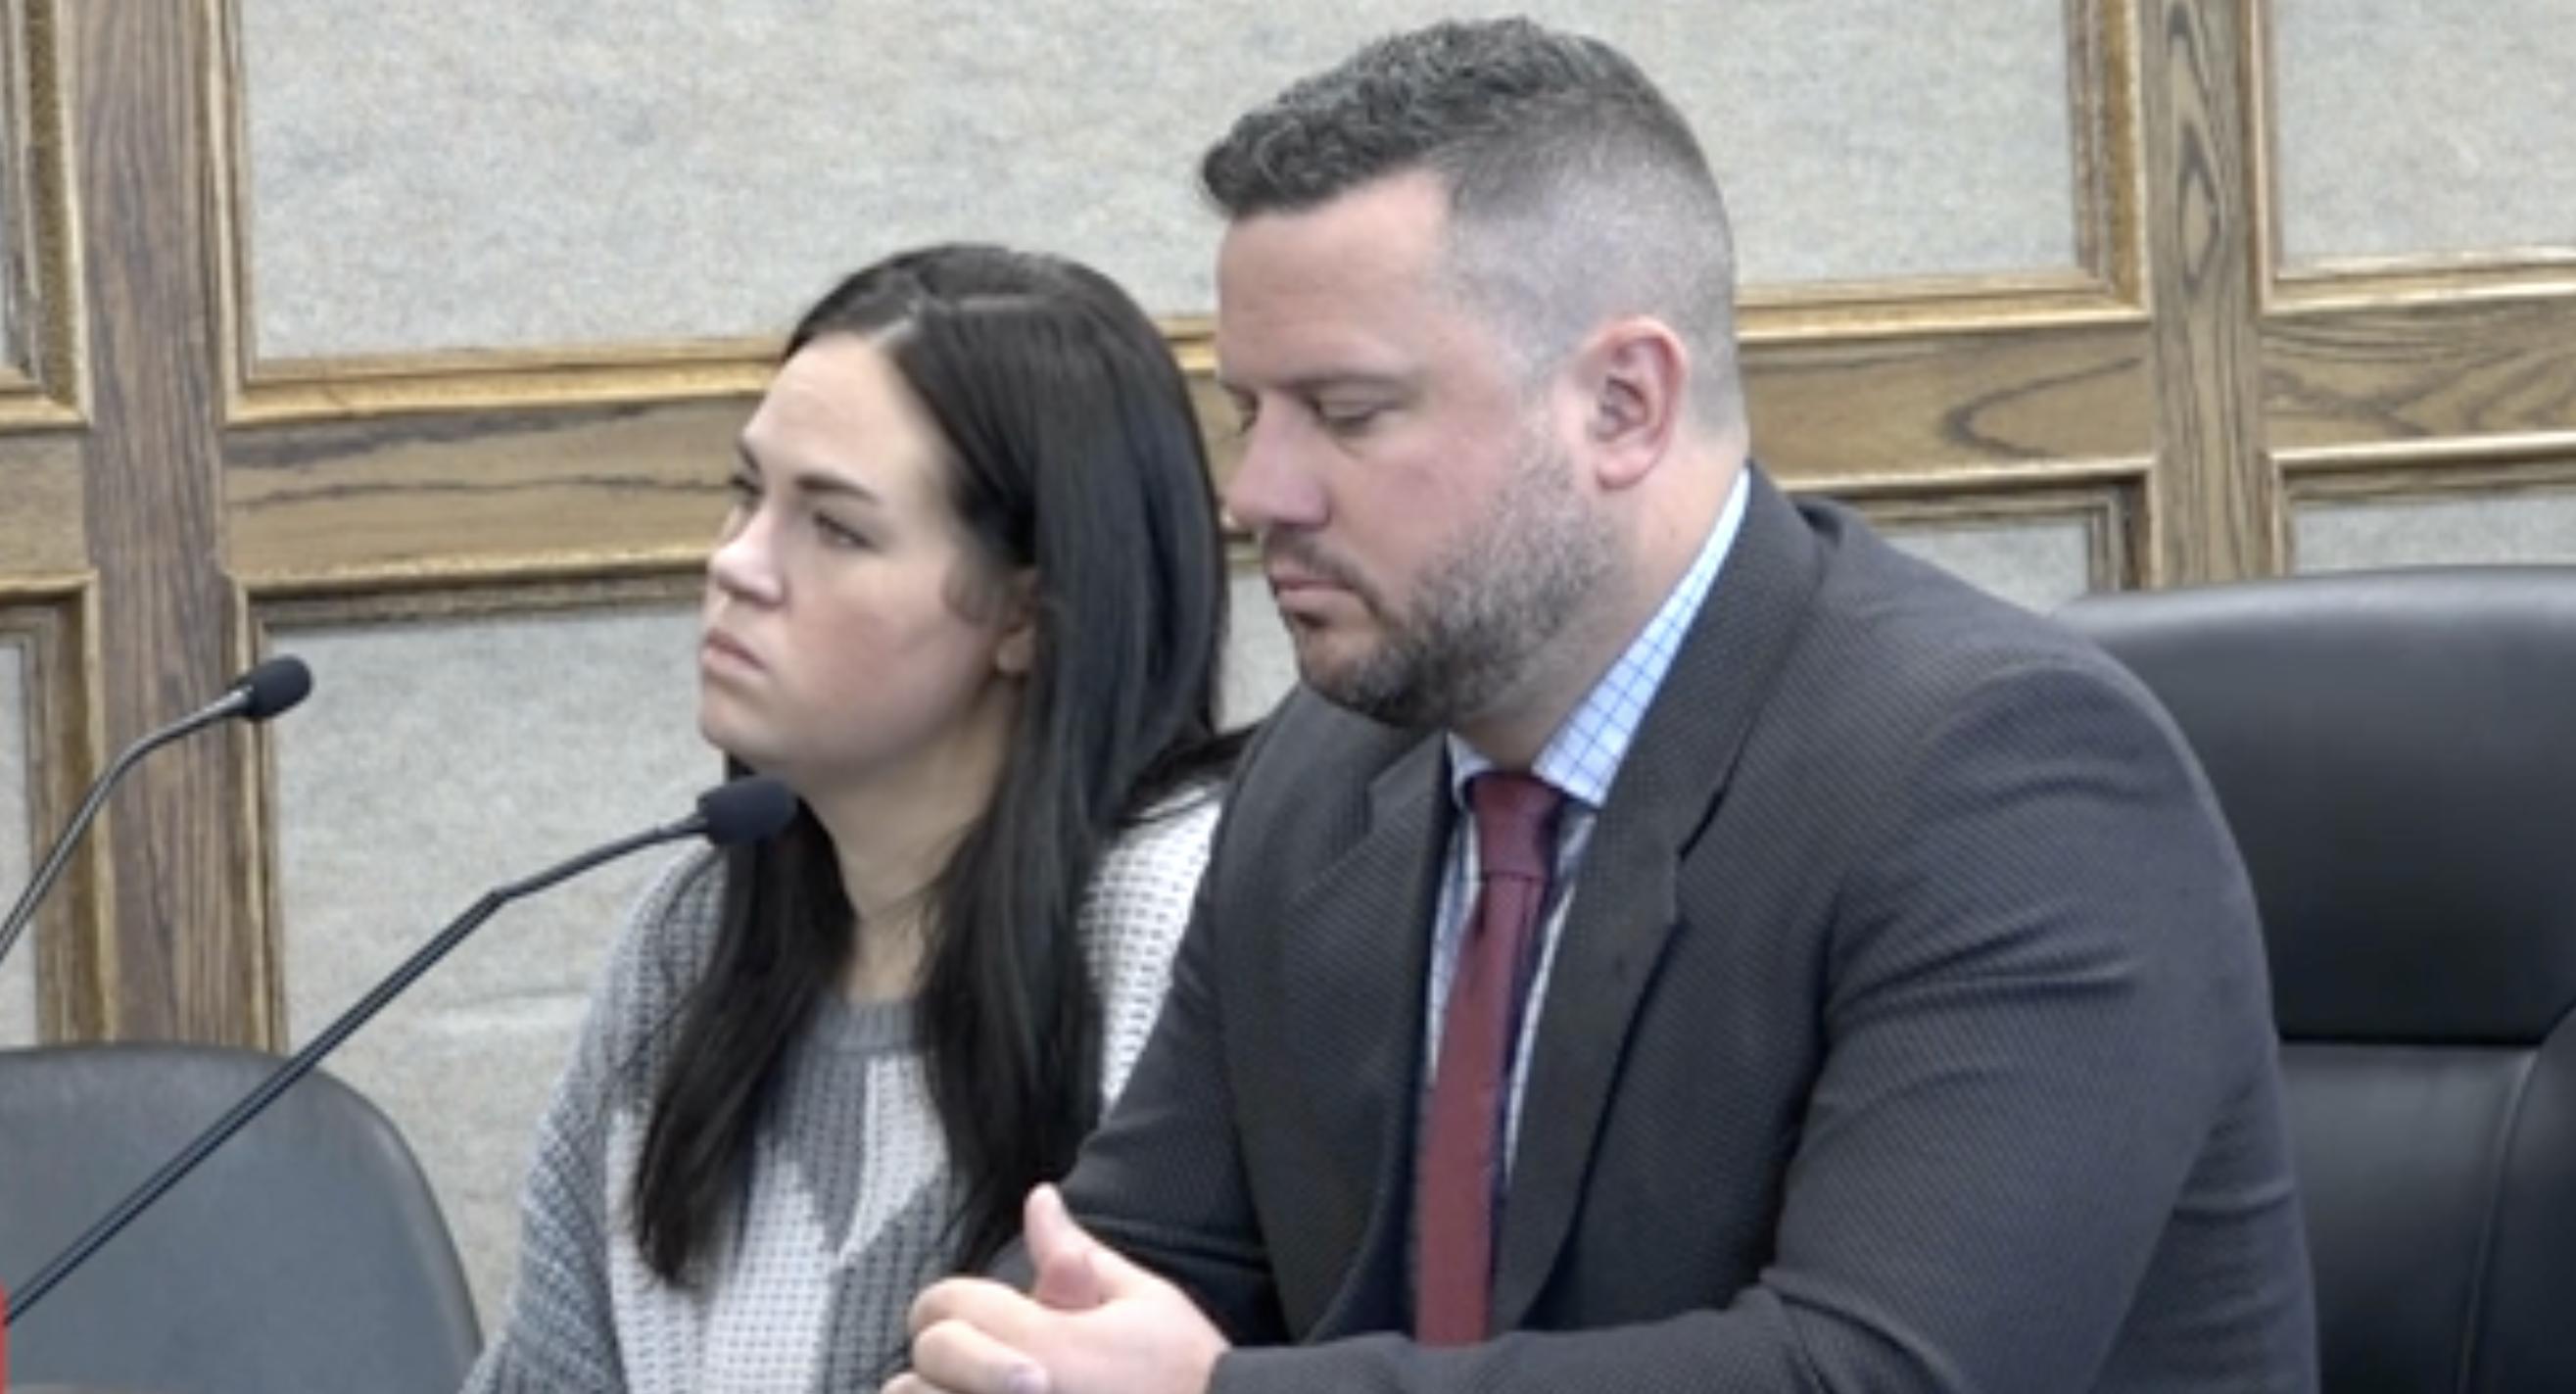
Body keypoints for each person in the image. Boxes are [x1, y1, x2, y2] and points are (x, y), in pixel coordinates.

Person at [894, 19, 2315, 1394]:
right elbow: (1125, 1264)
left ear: (1623, 405)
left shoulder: (2000, 778)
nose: (1260, 490)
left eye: (1347, 411)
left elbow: (1866, 1370)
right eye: (1248, 409)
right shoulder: (1326, 775)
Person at [463, 243, 1243, 1393]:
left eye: (834, 528)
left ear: (1027, 613)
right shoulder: (688, 936)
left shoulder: (1180, 920)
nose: (735, 564)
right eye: (744, 493)